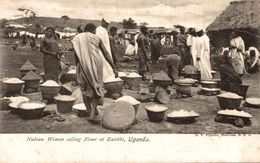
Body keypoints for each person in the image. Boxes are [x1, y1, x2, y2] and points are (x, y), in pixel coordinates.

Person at [71, 23, 118, 123]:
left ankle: (89, 111)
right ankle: (93, 112)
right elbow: (106, 53)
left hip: (83, 64)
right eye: (95, 30)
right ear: (92, 30)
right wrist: (114, 68)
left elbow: (76, 55)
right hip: (97, 64)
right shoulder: (97, 38)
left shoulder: (77, 38)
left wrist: (79, 67)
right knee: (96, 86)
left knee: (84, 88)